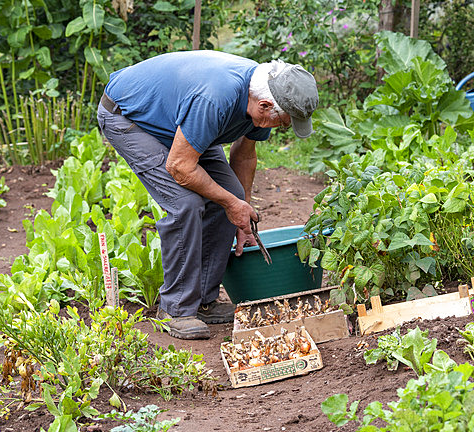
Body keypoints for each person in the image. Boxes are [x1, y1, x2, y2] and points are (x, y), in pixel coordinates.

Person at [97, 51, 318, 340]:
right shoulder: (216, 98)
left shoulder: (262, 95)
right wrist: (230, 203)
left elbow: (244, 155)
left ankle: (202, 300)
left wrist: (241, 208)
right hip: (131, 118)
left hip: (182, 123)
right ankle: (175, 309)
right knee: (185, 203)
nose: (283, 127)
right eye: (284, 122)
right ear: (265, 106)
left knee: (230, 195)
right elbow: (179, 167)